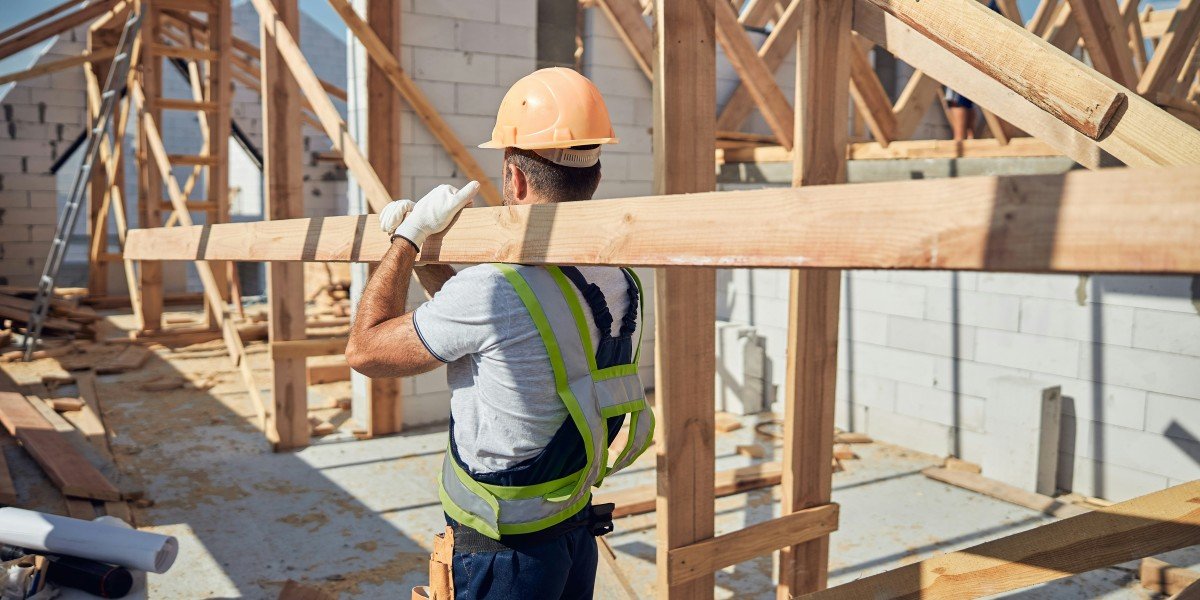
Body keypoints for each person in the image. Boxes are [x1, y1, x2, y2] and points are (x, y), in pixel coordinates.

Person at [345, 67, 653, 600]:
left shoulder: (496, 292)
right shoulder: (619, 279)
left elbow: (365, 350)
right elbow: (502, 329)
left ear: (514, 178)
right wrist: (422, 259)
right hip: (572, 531)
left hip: (504, 553)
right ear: (596, 175)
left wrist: (406, 239)